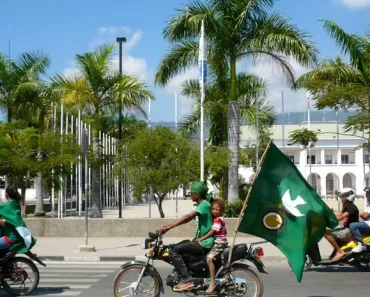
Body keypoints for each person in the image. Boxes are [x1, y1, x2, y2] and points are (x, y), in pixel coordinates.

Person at [158, 181, 214, 292]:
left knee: (173, 250)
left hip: (204, 243)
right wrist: (167, 227)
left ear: (197, 195)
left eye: (192, 192)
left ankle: (187, 279)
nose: (190, 194)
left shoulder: (204, 205)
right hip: (201, 241)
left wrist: (168, 227)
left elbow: (186, 218)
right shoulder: (203, 204)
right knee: (178, 245)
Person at [194, 199, 227, 294]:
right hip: (218, 242)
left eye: (217, 209)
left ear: (221, 211)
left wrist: (201, 239)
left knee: (209, 259)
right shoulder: (218, 219)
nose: (214, 211)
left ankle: (212, 282)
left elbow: (212, 232)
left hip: (220, 243)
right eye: (213, 209)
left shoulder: (218, 220)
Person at [324, 188, 359, 261]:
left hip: (348, 230)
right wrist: (327, 216)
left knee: (325, 232)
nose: (342, 197)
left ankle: (339, 251)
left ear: (350, 196)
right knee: (330, 229)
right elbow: (339, 215)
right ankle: (336, 251)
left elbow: (341, 217)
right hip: (345, 227)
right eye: (342, 196)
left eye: (344, 196)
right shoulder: (346, 205)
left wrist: (328, 220)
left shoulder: (351, 206)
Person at [0, 185, 36, 253]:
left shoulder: (7, 206)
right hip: (18, 236)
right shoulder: (16, 204)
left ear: (6, 194)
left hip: (11, 237)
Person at [349, 187, 370, 253]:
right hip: (366, 223)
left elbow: (365, 215)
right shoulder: (368, 204)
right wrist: (363, 215)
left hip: (368, 224)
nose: (366, 196)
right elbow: (364, 215)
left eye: (367, 194)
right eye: (366, 194)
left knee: (352, 226)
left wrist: (362, 215)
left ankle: (361, 244)